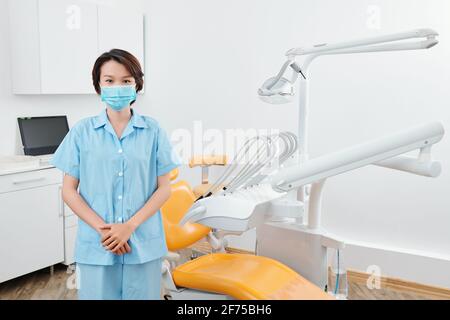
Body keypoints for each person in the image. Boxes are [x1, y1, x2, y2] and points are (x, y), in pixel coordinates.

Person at [50, 48, 180, 300]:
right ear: (98, 86)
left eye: (126, 81)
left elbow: (164, 188)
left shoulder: (153, 131)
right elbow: (68, 190)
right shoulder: (81, 132)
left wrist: (129, 226)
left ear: (136, 85)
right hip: (97, 246)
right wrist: (105, 231)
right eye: (109, 80)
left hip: (143, 243)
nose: (117, 86)